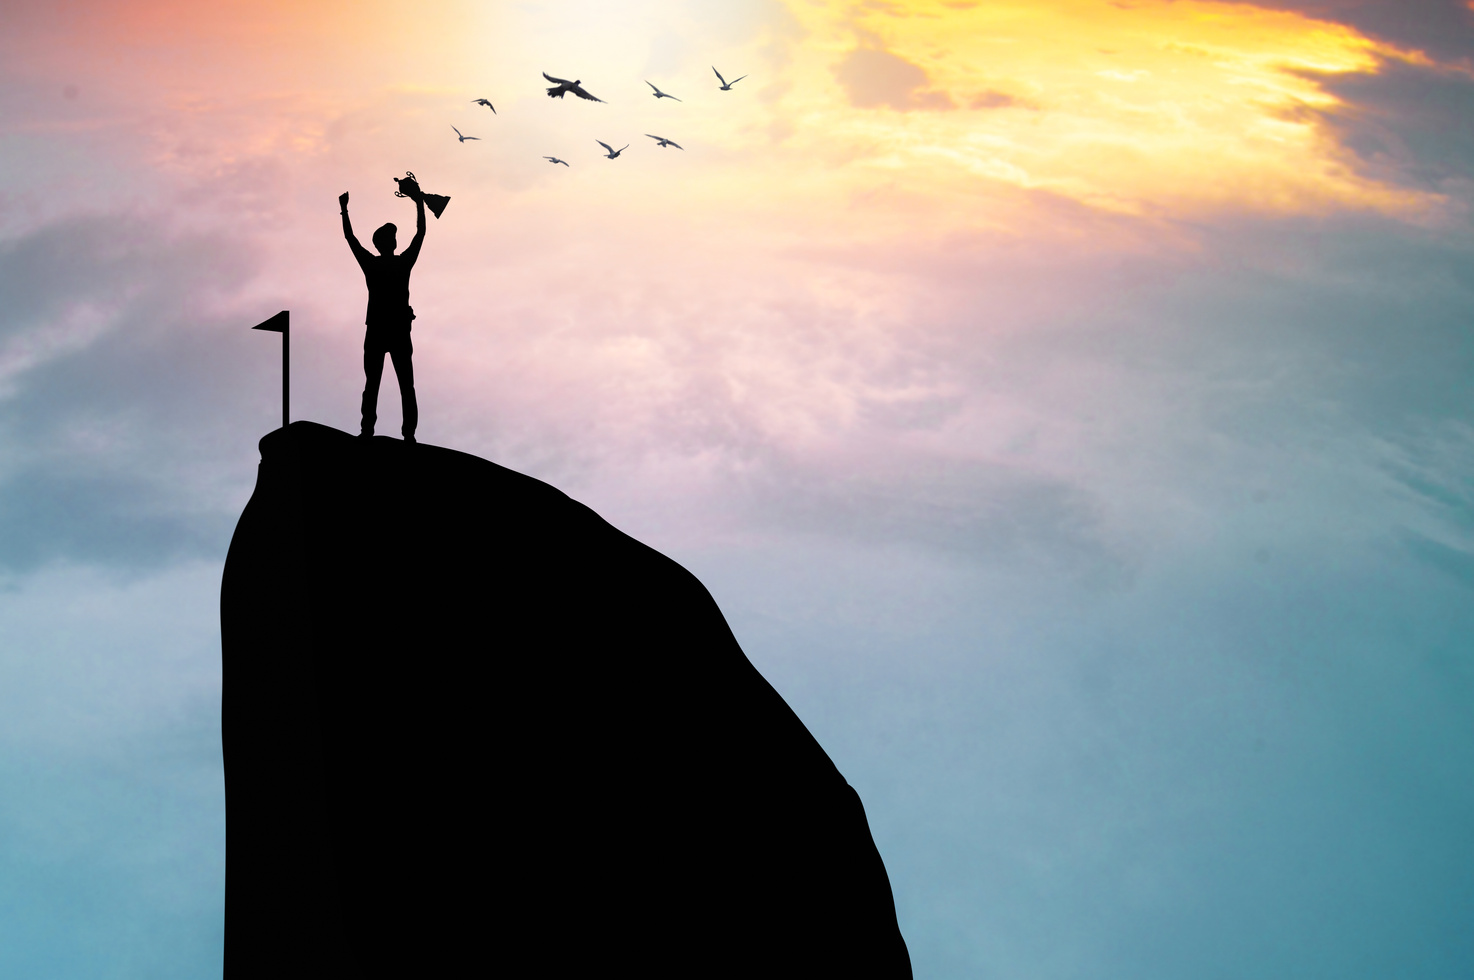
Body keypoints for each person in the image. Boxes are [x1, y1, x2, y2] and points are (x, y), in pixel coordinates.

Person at [340, 183, 426, 441]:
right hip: (393, 329)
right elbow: (420, 233)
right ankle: (406, 435)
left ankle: (370, 431)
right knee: (403, 386)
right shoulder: (401, 263)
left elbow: (351, 240)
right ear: (389, 243)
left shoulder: (373, 264)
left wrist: (344, 211)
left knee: (375, 384)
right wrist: (418, 202)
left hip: (380, 329)